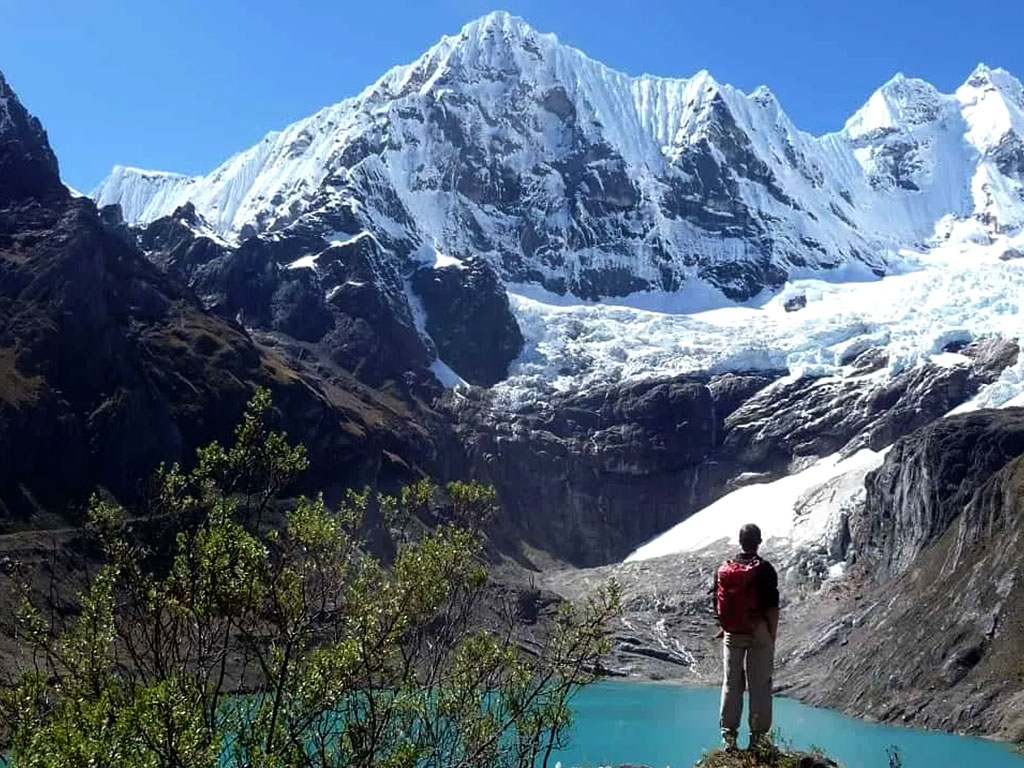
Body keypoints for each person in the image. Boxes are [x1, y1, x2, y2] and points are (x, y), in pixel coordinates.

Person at [713, 523, 779, 751]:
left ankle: (729, 739)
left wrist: (726, 626)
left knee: (731, 684)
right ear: (758, 542)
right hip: (758, 631)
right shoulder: (764, 569)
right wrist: (771, 635)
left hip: (732, 633)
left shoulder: (724, 569)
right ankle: (758, 740)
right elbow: (772, 607)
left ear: (740, 542)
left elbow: (716, 602)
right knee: (760, 685)